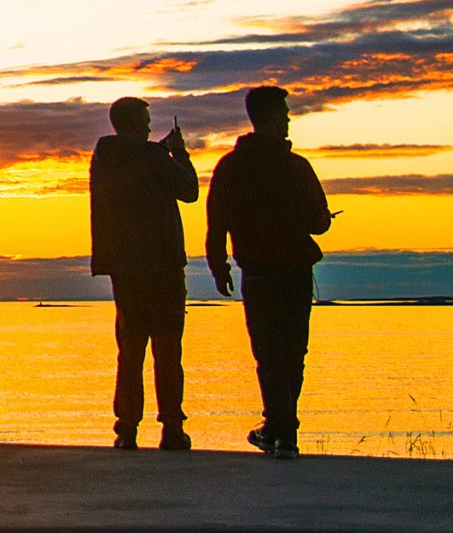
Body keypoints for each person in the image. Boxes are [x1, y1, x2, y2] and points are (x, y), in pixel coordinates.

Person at [206, 85, 334, 460]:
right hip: (290, 272)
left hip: (259, 274)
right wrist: (323, 218)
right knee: (292, 354)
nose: (290, 118)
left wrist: (218, 266)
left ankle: (278, 428)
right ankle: (284, 431)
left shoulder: (230, 166)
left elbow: (217, 224)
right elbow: (318, 223)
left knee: (269, 354)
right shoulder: (296, 167)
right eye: (285, 112)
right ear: (271, 117)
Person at [89, 97, 197, 451]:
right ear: (135, 123)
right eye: (146, 121)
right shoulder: (151, 158)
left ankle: (126, 430)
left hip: (124, 268)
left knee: (131, 350)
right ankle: (172, 428)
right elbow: (189, 191)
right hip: (162, 266)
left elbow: (139, 163)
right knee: (167, 349)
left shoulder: (106, 158)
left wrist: (159, 150)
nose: (150, 127)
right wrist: (178, 153)